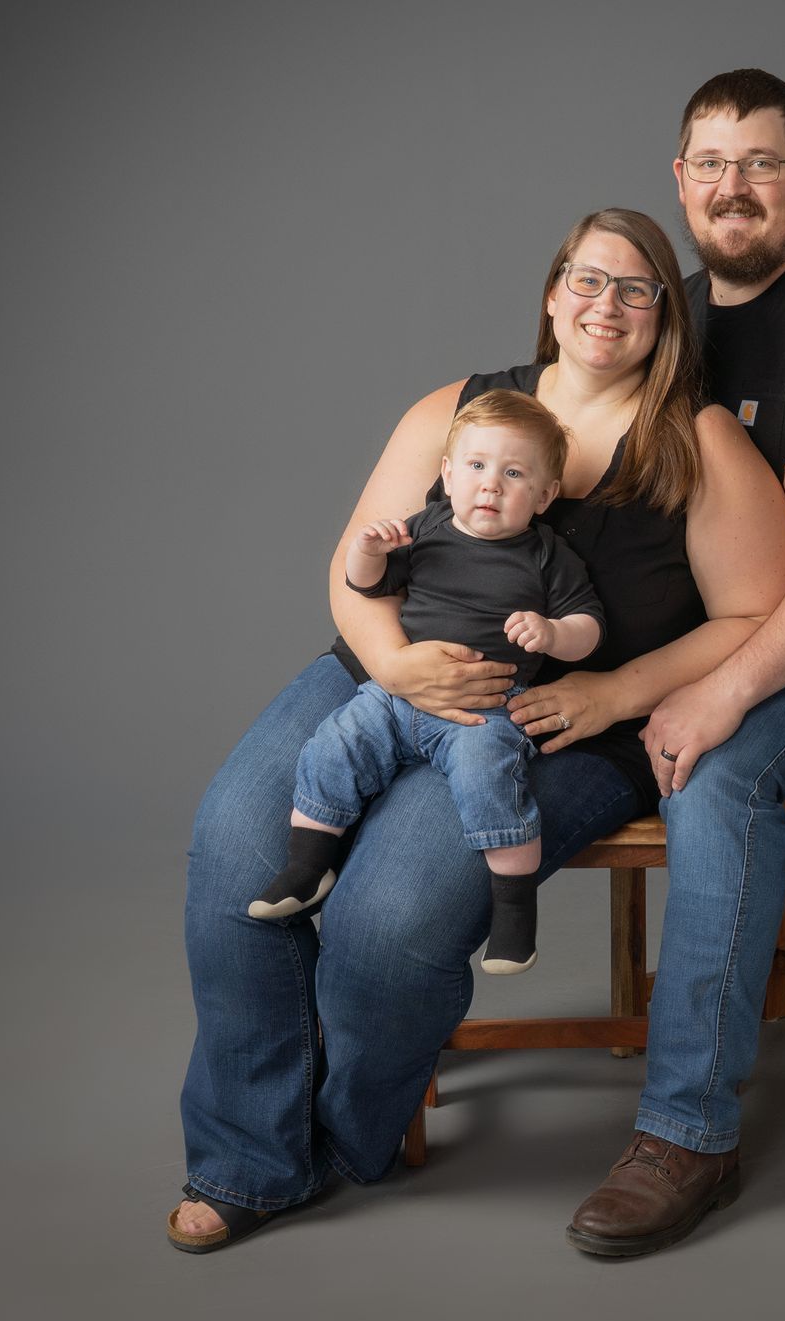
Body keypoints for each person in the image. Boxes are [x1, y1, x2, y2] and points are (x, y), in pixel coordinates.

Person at [167, 208, 785, 1254]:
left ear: (666, 315)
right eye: (587, 279)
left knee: (391, 915)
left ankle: (340, 1141)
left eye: (637, 289)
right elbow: (356, 564)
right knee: (233, 852)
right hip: (380, 679)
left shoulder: (697, 440)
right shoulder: (455, 409)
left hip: (560, 722)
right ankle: (247, 1161)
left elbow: (759, 612)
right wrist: (391, 664)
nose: (607, 305)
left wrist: (616, 691)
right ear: (553, 293)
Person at [563, 70, 785, 1258]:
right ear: (680, 180)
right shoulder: (674, 312)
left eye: (761, 163)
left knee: (717, 774)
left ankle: (689, 1133)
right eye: (711, 164)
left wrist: (720, 688)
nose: (733, 188)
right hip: (723, 627)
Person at [247, 389, 606, 977]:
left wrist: (553, 633)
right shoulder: (429, 527)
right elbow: (369, 586)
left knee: (491, 777)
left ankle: (514, 916)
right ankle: (307, 866)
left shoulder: (548, 556)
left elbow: (589, 627)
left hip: (487, 706)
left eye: (514, 474)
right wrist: (366, 552)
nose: (490, 485)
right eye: (476, 465)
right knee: (335, 743)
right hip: (397, 696)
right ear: (447, 474)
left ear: (545, 496)